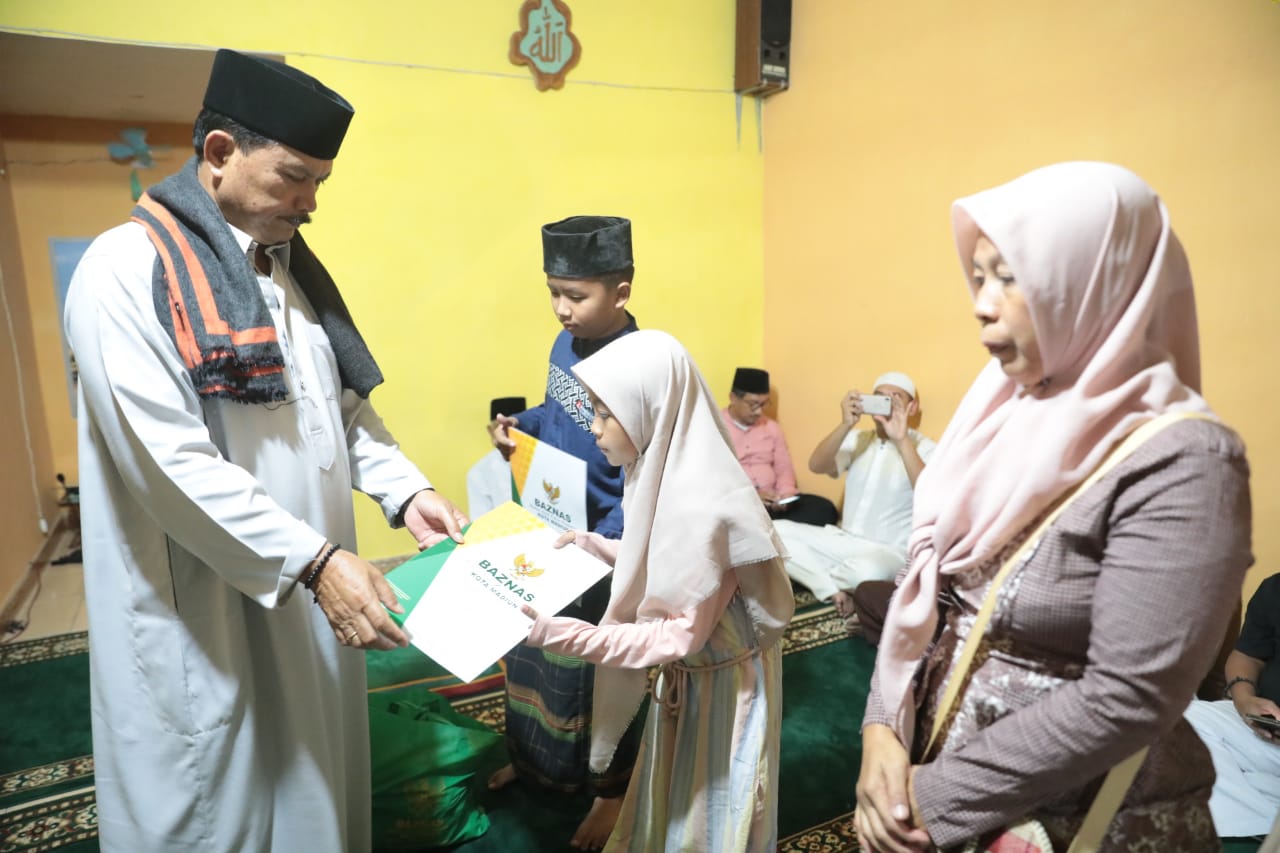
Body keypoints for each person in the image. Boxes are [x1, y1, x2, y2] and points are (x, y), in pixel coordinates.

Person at [63, 50, 467, 852]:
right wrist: (312, 562)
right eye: (295, 177)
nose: (312, 201)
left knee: (317, 789)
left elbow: (336, 410)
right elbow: (168, 465)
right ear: (219, 152)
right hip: (205, 613)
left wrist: (404, 490)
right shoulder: (123, 272)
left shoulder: (286, 272)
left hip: (307, 587)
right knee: (221, 811)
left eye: (321, 181)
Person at [854, 162, 1253, 852]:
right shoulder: (1000, 411)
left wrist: (933, 797)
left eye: (1010, 277)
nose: (982, 304)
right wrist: (882, 729)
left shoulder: (1184, 459)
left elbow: (1128, 695)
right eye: (979, 277)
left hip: (1073, 819)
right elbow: (929, 590)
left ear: (1096, 281)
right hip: (939, 774)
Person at [522, 329, 795, 852]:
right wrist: (592, 545)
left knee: (711, 807)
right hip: (694, 675)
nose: (594, 428)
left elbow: (675, 636)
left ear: (651, 409)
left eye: (606, 414)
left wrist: (564, 635)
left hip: (725, 685)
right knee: (676, 787)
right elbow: (659, 556)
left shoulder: (706, 506)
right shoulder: (658, 469)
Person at [485, 215, 643, 849]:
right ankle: (537, 767)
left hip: (604, 542)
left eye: (576, 296)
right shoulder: (564, 345)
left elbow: (647, 469)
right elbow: (561, 413)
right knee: (530, 649)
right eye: (553, 292)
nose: (561, 309)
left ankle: (613, 792)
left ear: (621, 292)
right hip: (547, 524)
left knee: (601, 674)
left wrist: (604, 545)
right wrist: (519, 425)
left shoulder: (640, 365)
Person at [772, 373, 934, 618]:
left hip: (888, 551)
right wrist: (845, 424)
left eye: (895, 398)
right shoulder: (859, 438)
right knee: (772, 531)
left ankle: (820, 576)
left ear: (912, 407)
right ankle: (834, 589)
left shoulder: (925, 447)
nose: (886, 403)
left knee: (867, 573)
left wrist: (901, 440)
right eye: (879, 397)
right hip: (842, 539)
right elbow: (816, 465)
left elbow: (928, 493)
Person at [1184, 572, 1280, 838]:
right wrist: (1245, 699)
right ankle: (1261, 822)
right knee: (1181, 719)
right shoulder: (1274, 587)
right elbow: (1247, 655)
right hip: (1266, 726)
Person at [720, 366, 838, 527]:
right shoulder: (715, 427)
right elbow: (712, 477)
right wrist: (749, 496)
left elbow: (784, 469)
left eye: (764, 404)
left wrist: (785, 495)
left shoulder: (772, 427)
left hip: (772, 503)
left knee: (824, 508)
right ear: (733, 398)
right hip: (737, 502)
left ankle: (771, 527)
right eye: (753, 404)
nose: (759, 411)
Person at [465, 396, 525, 517]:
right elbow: (481, 521)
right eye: (501, 429)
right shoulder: (479, 472)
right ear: (490, 431)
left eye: (514, 430)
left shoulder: (541, 461)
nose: (506, 436)